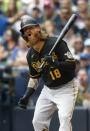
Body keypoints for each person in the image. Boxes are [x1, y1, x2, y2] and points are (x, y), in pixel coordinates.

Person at [18, 16, 78, 131]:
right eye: (25, 30)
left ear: (38, 29)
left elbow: (72, 65)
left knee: (64, 118)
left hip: (67, 87)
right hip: (48, 89)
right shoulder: (30, 55)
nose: (27, 31)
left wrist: (56, 63)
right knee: (37, 121)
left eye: (30, 28)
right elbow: (34, 78)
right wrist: (26, 95)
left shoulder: (55, 43)